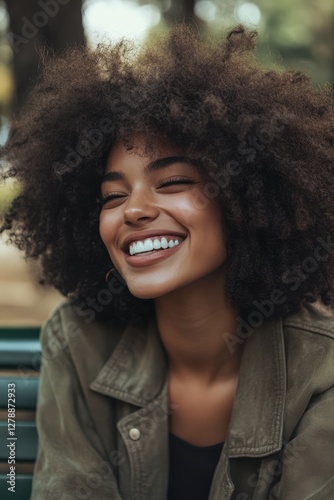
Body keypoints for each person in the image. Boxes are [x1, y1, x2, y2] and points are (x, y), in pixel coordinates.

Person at [1, 24, 334, 500]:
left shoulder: (322, 370)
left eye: (174, 182)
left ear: (246, 200)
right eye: (112, 196)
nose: (132, 210)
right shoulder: (77, 342)